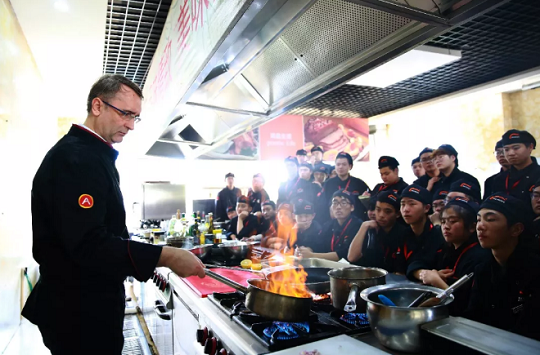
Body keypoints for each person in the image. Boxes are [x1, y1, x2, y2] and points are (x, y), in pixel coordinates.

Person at [21, 75, 205, 355]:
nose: (131, 125)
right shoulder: (76, 159)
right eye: (125, 114)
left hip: (86, 305)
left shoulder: (92, 155)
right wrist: (165, 255)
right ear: (97, 106)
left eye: (136, 117)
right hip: (79, 312)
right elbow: (88, 244)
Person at [466, 193, 540, 340]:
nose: (480, 226)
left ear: (516, 229)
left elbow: (529, 331)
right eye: (478, 219)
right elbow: (473, 317)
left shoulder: (535, 272)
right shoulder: (483, 269)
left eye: (491, 219)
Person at [419, 197, 490, 316]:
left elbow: (464, 304)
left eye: (452, 221)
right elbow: (418, 262)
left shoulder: (479, 256)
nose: (446, 226)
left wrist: (435, 280)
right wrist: (429, 273)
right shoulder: (447, 248)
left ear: (472, 227)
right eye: (443, 221)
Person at [348, 191, 407, 271]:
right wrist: (363, 227)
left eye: (387, 211)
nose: (381, 215)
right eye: (378, 210)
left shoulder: (404, 233)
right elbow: (352, 258)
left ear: (397, 214)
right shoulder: (369, 229)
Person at [299, 190, 362, 261]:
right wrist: (307, 250)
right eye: (335, 203)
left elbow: (345, 254)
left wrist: (313, 255)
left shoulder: (358, 226)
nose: (338, 207)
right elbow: (317, 243)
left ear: (352, 207)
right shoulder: (328, 225)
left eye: (343, 203)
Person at [398, 184, 445, 280]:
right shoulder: (403, 234)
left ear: (426, 208)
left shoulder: (437, 234)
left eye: (412, 204)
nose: (405, 209)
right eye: (402, 204)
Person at [491, 130, 540, 215]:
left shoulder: (537, 175)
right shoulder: (499, 179)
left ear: (530, 147)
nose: (511, 153)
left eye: (516, 148)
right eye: (506, 149)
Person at [316, 152, 370, 223]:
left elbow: (368, 204)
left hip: (355, 223)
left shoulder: (359, 184)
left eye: (344, 164)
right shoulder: (328, 184)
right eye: (338, 164)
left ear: (350, 166)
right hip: (333, 223)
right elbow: (321, 204)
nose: (340, 167)